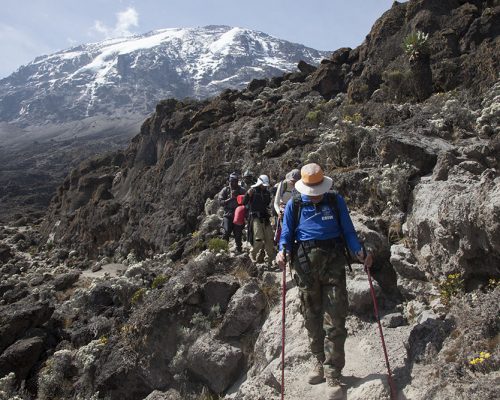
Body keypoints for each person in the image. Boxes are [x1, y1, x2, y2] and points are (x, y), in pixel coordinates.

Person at [276, 163, 373, 396]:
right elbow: (287, 235)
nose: (315, 195)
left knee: (336, 317)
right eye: (312, 190)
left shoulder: (335, 201)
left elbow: (348, 230)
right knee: (311, 317)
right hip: (304, 265)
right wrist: (282, 252)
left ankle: (333, 374)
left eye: (318, 189)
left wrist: (359, 251)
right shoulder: (295, 205)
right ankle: (318, 360)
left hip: (334, 264)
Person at [244, 174, 276, 265]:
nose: (264, 186)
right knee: (259, 238)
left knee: (269, 238)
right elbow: (244, 203)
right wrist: (247, 195)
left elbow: (267, 204)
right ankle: (252, 255)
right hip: (255, 217)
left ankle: (270, 259)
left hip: (265, 217)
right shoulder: (252, 191)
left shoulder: (266, 192)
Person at [217, 172, 246, 252]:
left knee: (238, 233)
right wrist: (230, 199)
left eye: (235, 181)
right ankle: (223, 250)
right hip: (228, 214)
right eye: (231, 181)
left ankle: (239, 250)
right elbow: (220, 202)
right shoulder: (225, 190)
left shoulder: (241, 190)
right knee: (226, 232)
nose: (233, 183)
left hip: (238, 214)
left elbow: (247, 201)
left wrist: (240, 198)